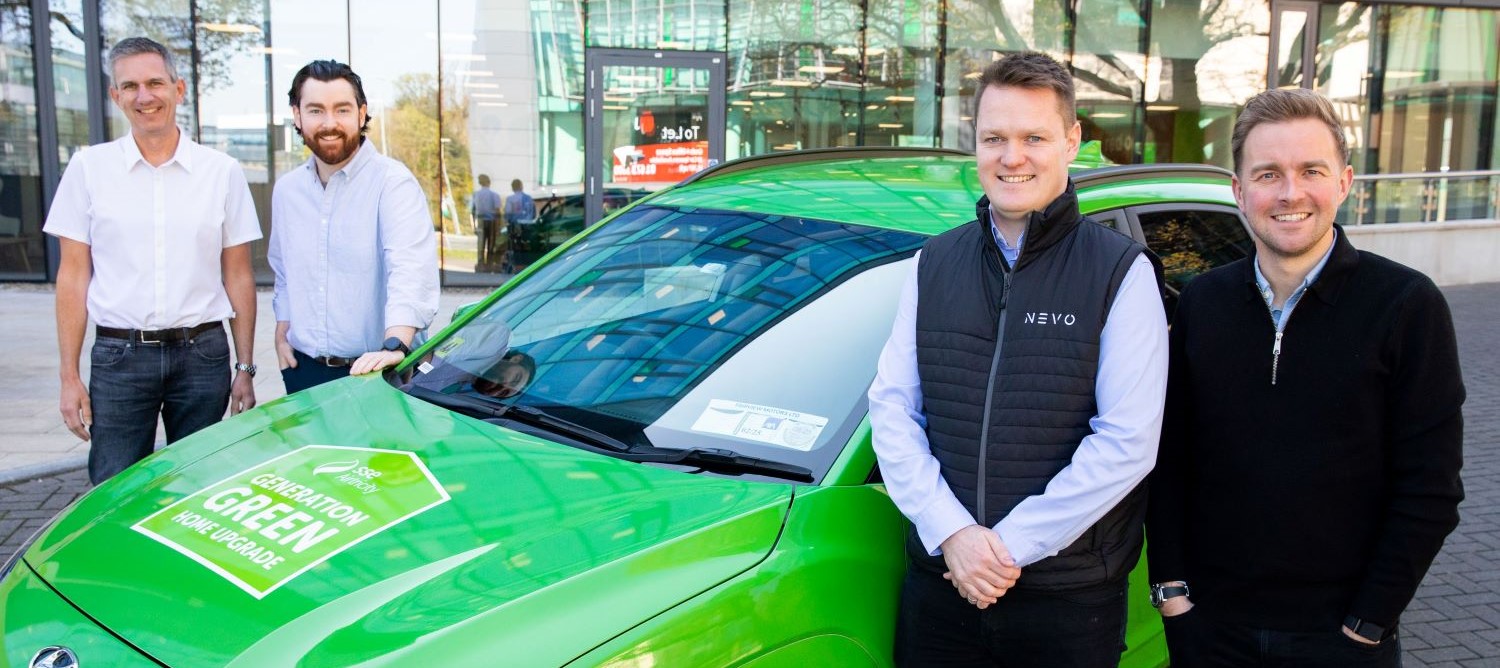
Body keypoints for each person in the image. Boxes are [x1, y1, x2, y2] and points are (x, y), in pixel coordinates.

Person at [868, 51, 1169, 667]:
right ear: (974, 143)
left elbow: (1127, 441)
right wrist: (951, 533)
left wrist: (1002, 548)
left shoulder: (1121, 271)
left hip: (1068, 599)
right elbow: (892, 408)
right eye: (994, 138)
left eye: (1034, 137)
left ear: (1072, 141)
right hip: (943, 586)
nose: (1012, 157)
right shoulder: (935, 262)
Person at [1146, 87, 1464, 667]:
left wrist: (1370, 620)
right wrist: (1171, 593)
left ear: (1342, 182)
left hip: (1342, 638)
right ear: (1240, 193)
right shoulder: (1202, 303)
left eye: (1310, 170)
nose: (1290, 193)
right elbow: (1170, 461)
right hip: (1212, 632)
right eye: (1268, 174)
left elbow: (1431, 487)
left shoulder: (1406, 306)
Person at [45, 37, 261, 484]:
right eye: (130, 86)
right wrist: (69, 377)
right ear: (115, 96)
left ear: (178, 90)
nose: (144, 96)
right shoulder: (88, 169)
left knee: (200, 485)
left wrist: (244, 368)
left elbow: (238, 275)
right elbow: (72, 276)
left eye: (155, 83)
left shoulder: (221, 172)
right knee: (114, 486)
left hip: (203, 356)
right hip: (119, 357)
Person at [269, 60, 439, 394]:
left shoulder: (393, 183)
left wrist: (395, 346)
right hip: (303, 372)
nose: (329, 123)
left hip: (380, 370)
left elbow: (410, 271)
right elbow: (284, 271)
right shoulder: (287, 191)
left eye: (342, 110)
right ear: (297, 115)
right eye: (316, 110)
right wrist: (282, 328)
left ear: (361, 114)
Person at [503, 178, 535, 272]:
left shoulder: (510, 199)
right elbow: (533, 213)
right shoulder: (528, 198)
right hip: (528, 226)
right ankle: (526, 264)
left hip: (515, 225)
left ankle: (517, 266)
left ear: (512, 187)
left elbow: (507, 213)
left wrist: (508, 221)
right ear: (521, 186)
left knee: (515, 246)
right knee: (526, 246)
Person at [471, 174, 502, 272]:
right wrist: (499, 224)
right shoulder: (494, 195)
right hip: (492, 220)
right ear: (489, 182)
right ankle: (489, 263)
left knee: (481, 243)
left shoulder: (476, 194)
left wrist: (473, 225)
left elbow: (472, 210)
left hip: (480, 220)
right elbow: (497, 211)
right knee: (491, 243)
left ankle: (480, 264)